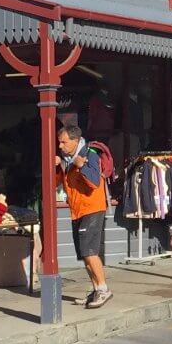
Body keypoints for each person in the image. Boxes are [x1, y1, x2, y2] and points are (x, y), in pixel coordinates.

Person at [55, 125, 112, 308]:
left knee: (89, 252)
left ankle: (104, 290)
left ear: (75, 140)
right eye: (59, 142)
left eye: (64, 142)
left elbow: (94, 182)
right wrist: (57, 166)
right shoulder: (67, 159)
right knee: (84, 254)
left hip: (92, 208)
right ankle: (96, 290)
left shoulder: (90, 153)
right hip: (77, 210)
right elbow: (59, 184)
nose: (60, 145)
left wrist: (81, 167)